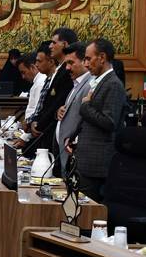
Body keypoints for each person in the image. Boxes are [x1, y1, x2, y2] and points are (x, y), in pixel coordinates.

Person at [72, 38, 125, 200]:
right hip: (86, 159)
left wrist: (85, 106)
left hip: (96, 164)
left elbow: (109, 122)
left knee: (89, 210)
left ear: (102, 57)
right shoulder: (99, 81)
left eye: (88, 59)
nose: (86, 64)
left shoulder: (113, 84)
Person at [55, 42, 92, 170]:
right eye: (66, 64)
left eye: (71, 63)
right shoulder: (76, 83)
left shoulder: (90, 84)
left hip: (75, 153)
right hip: (65, 152)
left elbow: (87, 119)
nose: (67, 68)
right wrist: (59, 111)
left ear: (84, 61)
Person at [20, 44, 62, 156]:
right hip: (36, 129)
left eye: (39, 61)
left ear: (51, 62)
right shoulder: (46, 79)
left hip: (43, 132)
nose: (37, 65)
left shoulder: (43, 82)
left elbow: (45, 109)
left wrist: (34, 123)